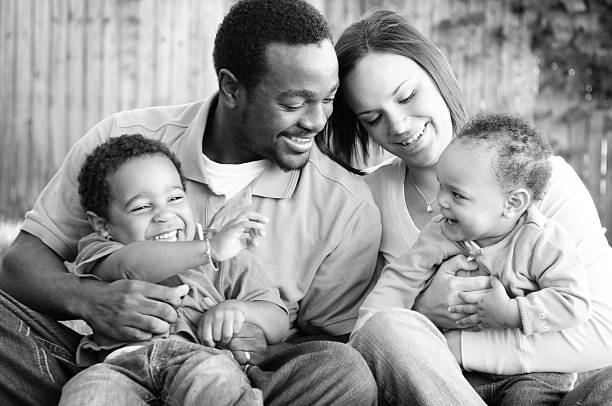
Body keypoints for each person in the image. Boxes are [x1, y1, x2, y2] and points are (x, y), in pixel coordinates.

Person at [0, 1, 381, 405]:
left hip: (235, 372)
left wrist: (253, 338)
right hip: (109, 365)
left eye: (328, 100)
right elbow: (20, 265)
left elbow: (324, 337)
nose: (317, 121)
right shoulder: (122, 143)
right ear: (232, 87)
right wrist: (91, 301)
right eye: (292, 104)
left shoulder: (346, 204)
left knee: (344, 371)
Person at [319, 8, 612, 406]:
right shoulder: (366, 199)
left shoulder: (541, 181)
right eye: (373, 118)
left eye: (407, 96)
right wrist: (423, 311)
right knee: (388, 332)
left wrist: (460, 341)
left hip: (540, 380)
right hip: (434, 386)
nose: (400, 126)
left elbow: (603, 330)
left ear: (437, 73)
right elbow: (368, 330)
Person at [356, 113, 591, 404]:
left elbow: (574, 303)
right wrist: (366, 331)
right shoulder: (440, 234)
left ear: (512, 203)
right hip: (458, 372)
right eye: (441, 186)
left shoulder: (542, 240)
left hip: (534, 374)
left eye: (457, 194)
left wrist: (511, 312)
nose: (441, 200)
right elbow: (400, 279)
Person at [58, 134, 287, 405]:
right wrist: (209, 249)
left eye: (175, 197)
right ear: (103, 226)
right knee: (89, 395)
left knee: (218, 381)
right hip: (120, 367)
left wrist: (241, 310)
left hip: (202, 361)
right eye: (142, 207)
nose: (164, 215)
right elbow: (129, 267)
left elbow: (278, 320)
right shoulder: (102, 251)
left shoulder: (228, 255)